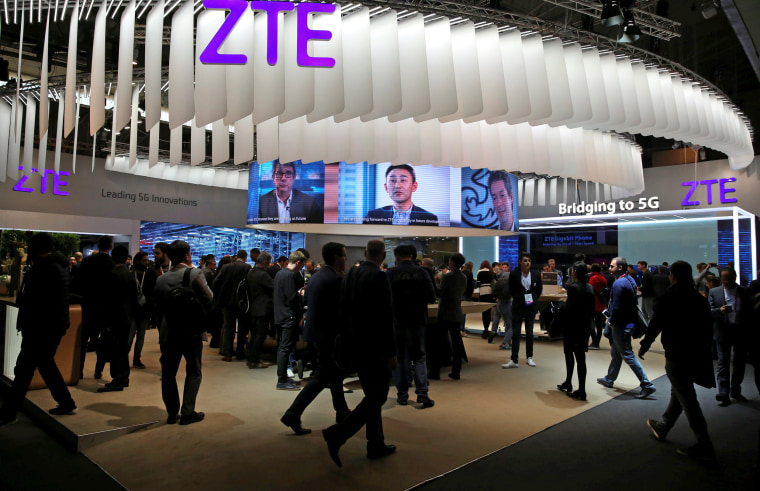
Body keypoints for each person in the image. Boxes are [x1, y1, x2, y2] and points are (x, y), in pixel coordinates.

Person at [321, 240, 397, 467]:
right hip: (374, 348)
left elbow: (342, 309)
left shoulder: (349, 275)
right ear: (383, 255)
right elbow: (385, 318)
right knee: (378, 396)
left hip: (354, 344)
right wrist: (391, 352)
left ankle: (376, 443)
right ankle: (338, 434)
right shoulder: (380, 277)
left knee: (371, 394)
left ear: (365, 253)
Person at [639, 260, 717, 464]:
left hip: (676, 354)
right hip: (695, 353)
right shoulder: (698, 299)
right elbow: (708, 327)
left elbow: (656, 323)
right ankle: (664, 425)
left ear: (672, 275)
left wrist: (645, 344)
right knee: (679, 391)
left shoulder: (668, 297)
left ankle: (704, 444)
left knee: (688, 400)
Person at [0, 233, 77, 426]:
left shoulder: (43, 269)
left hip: (40, 328)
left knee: (24, 369)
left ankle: (9, 412)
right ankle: (66, 402)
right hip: (51, 326)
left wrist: (27, 324)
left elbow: (36, 302)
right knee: (44, 364)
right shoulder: (57, 267)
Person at [280, 243, 351, 434]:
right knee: (322, 377)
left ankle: (342, 412)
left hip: (316, 333)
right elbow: (339, 312)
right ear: (337, 257)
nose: (346, 259)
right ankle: (292, 414)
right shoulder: (334, 280)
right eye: (344, 256)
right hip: (327, 335)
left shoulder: (318, 276)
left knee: (333, 374)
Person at [154, 240, 212, 425]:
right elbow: (209, 297)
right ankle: (188, 412)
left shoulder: (161, 279)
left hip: (168, 330)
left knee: (168, 373)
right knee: (194, 370)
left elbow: (157, 305)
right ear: (187, 255)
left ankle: (172, 413)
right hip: (191, 330)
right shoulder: (194, 273)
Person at [596, 257, 656, 398]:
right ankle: (609, 378)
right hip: (628, 323)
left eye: (612, 266)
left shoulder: (619, 283)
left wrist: (612, 322)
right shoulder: (630, 280)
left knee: (627, 354)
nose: (609, 268)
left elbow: (616, 307)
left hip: (620, 325)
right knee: (617, 352)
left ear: (620, 268)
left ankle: (647, 384)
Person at [387, 245, 436, 405]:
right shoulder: (422, 272)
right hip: (418, 320)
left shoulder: (391, 273)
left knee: (401, 358)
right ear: (412, 256)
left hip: (398, 321)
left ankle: (402, 395)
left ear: (397, 256)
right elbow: (431, 297)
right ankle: (422, 393)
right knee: (420, 357)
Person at [97, 246, 138, 393]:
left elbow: (108, 299)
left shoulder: (113, 274)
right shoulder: (129, 275)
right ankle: (124, 377)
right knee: (122, 349)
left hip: (115, 318)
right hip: (127, 317)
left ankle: (117, 379)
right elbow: (135, 297)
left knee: (115, 350)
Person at [708, 267, 749, 406]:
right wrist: (719, 310)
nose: (727, 281)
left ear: (735, 277)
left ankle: (735, 391)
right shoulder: (714, 292)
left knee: (739, 363)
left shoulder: (745, 291)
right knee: (722, 363)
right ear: (720, 278)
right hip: (722, 332)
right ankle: (723, 393)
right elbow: (709, 311)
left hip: (740, 332)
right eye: (725, 278)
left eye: (730, 278)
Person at [557, 262, 595, 401]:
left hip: (572, 327)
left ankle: (570, 383)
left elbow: (569, 309)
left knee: (569, 354)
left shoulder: (573, 288)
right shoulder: (590, 287)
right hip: (584, 327)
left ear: (574, 272)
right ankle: (581, 388)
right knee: (581, 358)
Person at [78, 235, 115, 379]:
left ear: (98, 246)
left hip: (88, 306)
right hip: (105, 309)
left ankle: (79, 370)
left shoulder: (87, 261)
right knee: (103, 342)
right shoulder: (112, 263)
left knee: (82, 341)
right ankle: (98, 370)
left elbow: (80, 282)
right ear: (110, 246)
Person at [273, 250, 308, 390]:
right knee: (285, 348)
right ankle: (281, 380)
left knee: (283, 347)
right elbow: (291, 297)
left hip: (280, 315)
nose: (302, 268)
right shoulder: (288, 275)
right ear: (298, 262)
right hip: (288, 316)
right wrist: (300, 296)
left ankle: (283, 378)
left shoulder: (280, 273)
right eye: (302, 265)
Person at [363, 164, 438, 226]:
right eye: (392, 180)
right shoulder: (373, 216)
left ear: (414, 186)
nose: (397, 186)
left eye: (403, 180)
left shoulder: (429, 219)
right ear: (386, 187)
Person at [503, 252, 542, 368]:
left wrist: (533, 298)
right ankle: (514, 359)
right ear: (520, 262)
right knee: (516, 333)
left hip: (530, 306)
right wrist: (519, 297)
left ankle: (529, 357)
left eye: (529, 261)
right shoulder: (514, 274)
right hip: (518, 306)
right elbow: (511, 289)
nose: (527, 263)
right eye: (525, 260)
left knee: (530, 333)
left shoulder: (535, 274)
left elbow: (539, 290)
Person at [213, 250, 252, 362]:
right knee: (242, 328)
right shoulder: (247, 267)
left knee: (228, 327)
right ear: (245, 257)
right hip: (241, 302)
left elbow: (216, 282)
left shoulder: (226, 267)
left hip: (227, 302)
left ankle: (227, 353)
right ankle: (240, 352)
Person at [258, 160, 323, 224]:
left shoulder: (309, 203)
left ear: (294, 177)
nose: (283, 178)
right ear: (273, 178)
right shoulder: (261, 202)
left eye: (288, 173)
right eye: (279, 173)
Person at [437, 253, 468, 380]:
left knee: (439, 342)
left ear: (453, 263)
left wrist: (436, 283)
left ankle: (435, 371)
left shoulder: (447, 277)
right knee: (457, 342)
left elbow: (441, 293)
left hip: (445, 312)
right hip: (456, 311)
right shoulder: (464, 277)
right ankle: (456, 371)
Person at [245, 252, 274, 369]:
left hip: (253, 307)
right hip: (263, 308)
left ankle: (251, 358)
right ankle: (254, 360)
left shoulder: (251, 273)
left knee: (254, 335)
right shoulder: (263, 275)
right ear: (266, 262)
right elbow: (273, 288)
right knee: (260, 335)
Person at [129, 251, 157, 369]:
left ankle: (137, 359)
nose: (147, 262)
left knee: (141, 336)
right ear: (137, 261)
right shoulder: (130, 274)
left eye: (147, 260)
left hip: (145, 311)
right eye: (144, 260)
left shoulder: (151, 274)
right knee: (130, 336)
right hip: (132, 310)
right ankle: (123, 358)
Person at [588, 263, 608, 350]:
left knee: (590, 322)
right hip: (601, 304)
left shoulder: (593, 278)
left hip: (593, 304)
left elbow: (590, 291)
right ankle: (597, 341)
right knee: (599, 325)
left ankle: (594, 340)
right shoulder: (603, 278)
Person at [476, 260, 495, 341]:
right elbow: (494, 282)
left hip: (483, 292)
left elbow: (478, 284)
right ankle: (490, 329)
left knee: (484, 312)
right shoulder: (492, 272)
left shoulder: (479, 272)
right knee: (489, 310)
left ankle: (485, 330)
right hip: (490, 292)